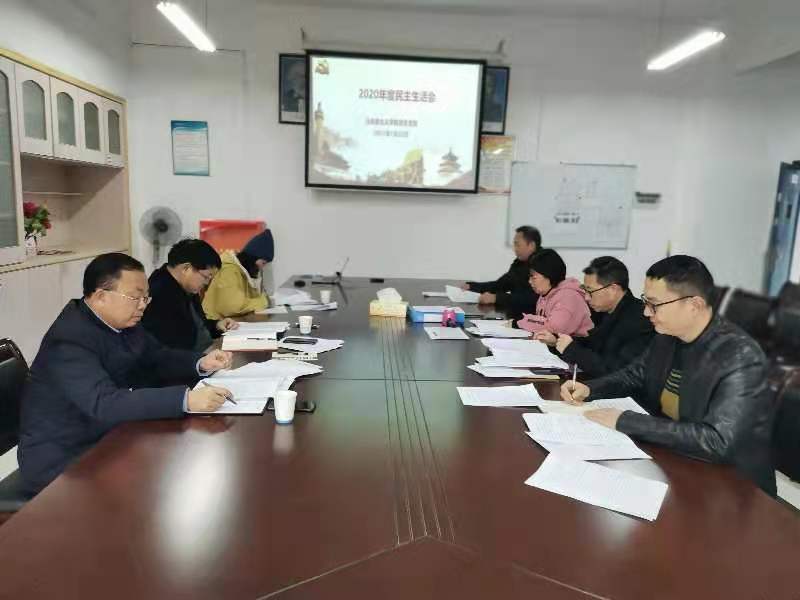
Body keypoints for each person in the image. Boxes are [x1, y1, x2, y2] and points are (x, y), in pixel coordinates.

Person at [18, 253, 234, 495]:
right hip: (65, 458)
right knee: (161, 485)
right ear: (101, 296)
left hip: (110, 435)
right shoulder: (69, 339)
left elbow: (157, 357)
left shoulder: (122, 322)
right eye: (134, 297)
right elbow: (104, 402)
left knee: (177, 469)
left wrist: (200, 363)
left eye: (145, 298)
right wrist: (186, 400)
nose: (142, 306)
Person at [561, 255, 776, 495]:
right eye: (645, 302)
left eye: (654, 304)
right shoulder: (666, 337)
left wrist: (625, 421)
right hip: (676, 461)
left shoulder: (740, 357)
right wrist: (590, 389)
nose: (646, 312)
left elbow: (717, 440)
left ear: (693, 305)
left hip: (734, 488)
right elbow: (634, 374)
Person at [536, 256, 653, 378]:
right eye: (585, 291)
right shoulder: (604, 310)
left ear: (613, 289)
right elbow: (591, 344)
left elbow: (615, 371)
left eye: (590, 291)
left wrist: (571, 350)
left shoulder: (639, 320)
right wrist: (556, 341)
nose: (586, 298)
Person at [143, 239, 239, 351]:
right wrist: (202, 359)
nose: (207, 283)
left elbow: (197, 325)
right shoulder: (159, 293)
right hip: (188, 358)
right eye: (206, 277)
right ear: (186, 268)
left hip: (202, 353)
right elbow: (168, 348)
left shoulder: (186, 286)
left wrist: (217, 325)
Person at [463, 225, 541, 318]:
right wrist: (472, 286)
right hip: (515, 316)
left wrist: (496, 298)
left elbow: (533, 299)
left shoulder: (544, 264)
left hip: (533, 320)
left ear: (531, 245)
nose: (514, 248)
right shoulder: (519, 263)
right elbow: (500, 284)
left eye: (517, 244)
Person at [517, 248, 593, 337]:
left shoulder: (568, 296)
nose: (530, 281)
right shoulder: (545, 295)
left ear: (549, 275)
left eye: (533, 277)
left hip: (578, 344)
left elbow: (554, 328)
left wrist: (524, 320)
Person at [202, 229, 274, 319]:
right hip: (212, 323)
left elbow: (251, 298)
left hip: (227, 322)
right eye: (263, 263)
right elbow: (231, 307)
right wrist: (263, 301)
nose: (262, 267)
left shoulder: (242, 271)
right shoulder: (229, 270)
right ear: (253, 258)